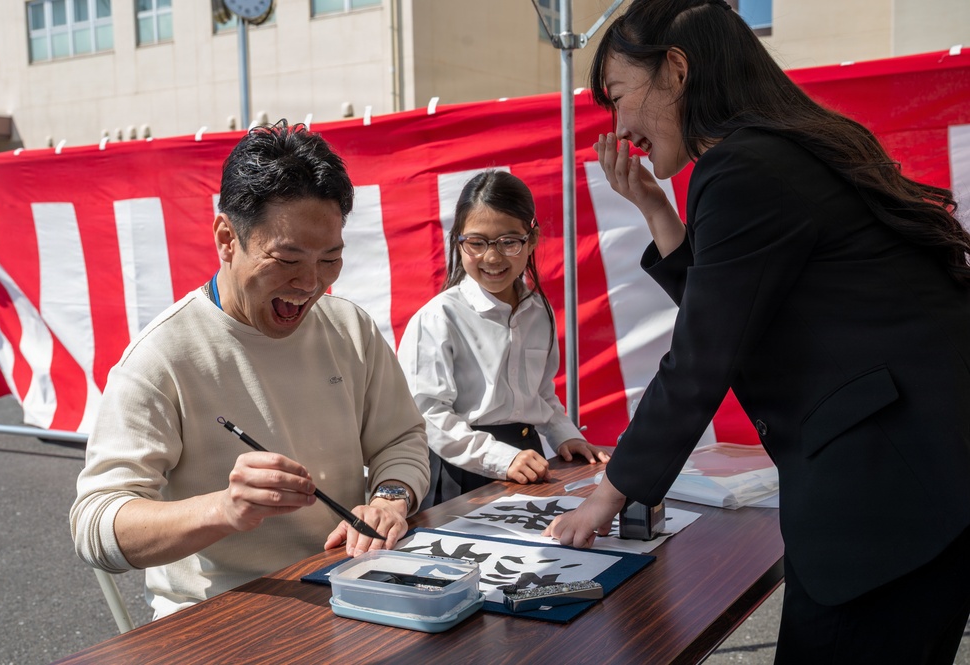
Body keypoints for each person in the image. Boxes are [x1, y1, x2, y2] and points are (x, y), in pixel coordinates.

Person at [542, 1, 970, 662]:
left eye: (619, 96)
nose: (620, 126)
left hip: (884, 505)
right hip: (921, 487)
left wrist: (609, 490)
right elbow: (733, 317)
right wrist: (658, 210)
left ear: (676, 70)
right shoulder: (783, 148)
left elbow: (701, 356)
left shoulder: (744, 168)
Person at [71, 121, 430, 619]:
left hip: (348, 588)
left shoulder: (349, 327)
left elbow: (401, 438)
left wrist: (391, 499)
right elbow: (95, 527)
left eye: (330, 259)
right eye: (287, 259)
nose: (310, 285)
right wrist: (223, 509)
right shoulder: (162, 357)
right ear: (226, 237)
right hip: (220, 617)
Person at [397, 170, 610, 508]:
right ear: (458, 241)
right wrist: (500, 458)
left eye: (509, 242)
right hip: (462, 472)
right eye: (477, 243)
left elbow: (541, 393)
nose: (492, 258)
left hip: (529, 462)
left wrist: (566, 435)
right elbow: (428, 414)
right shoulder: (438, 317)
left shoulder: (538, 310)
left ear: (533, 239)